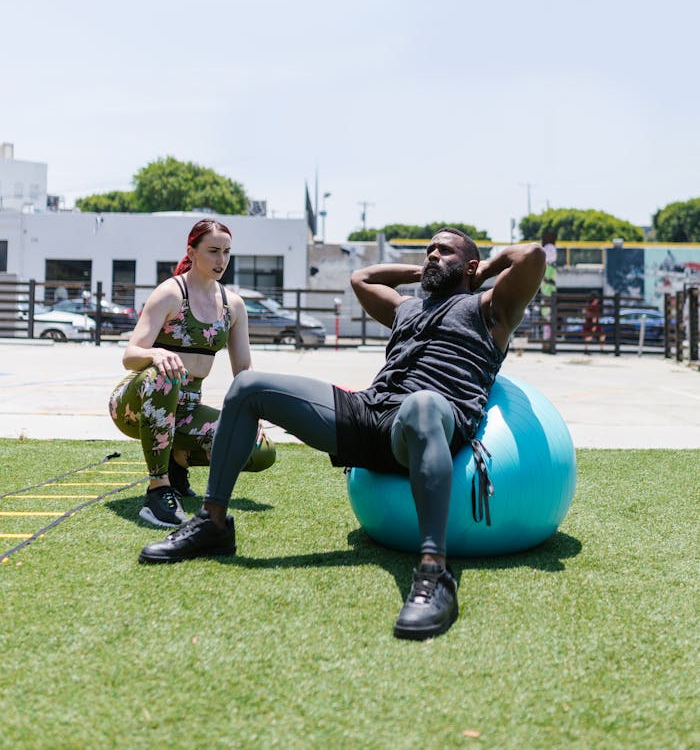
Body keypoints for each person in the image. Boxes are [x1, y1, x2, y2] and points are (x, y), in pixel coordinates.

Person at [138, 228, 545, 641]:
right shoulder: (407, 309)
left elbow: (531, 255)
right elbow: (362, 279)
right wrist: (424, 268)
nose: (433, 256)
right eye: (429, 251)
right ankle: (214, 523)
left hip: (426, 423)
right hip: (370, 412)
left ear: (471, 266)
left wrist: (482, 273)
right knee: (248, 388)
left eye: (445, 252)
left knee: (421, 404)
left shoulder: (490, 308)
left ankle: (435, 572)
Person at [109, 218, 275, 529]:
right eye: (213, 251)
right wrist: (156, 353)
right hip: (135, 403)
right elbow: (130, 356)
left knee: (260, 451)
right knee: (165, 374)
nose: (221, 260)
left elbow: (244, 371)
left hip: (186, 410)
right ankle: (158, 491)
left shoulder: (233, 306)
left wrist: (254, 413)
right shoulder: (170, 294)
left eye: (227, 252)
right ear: (192, 251)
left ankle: (177, 458)